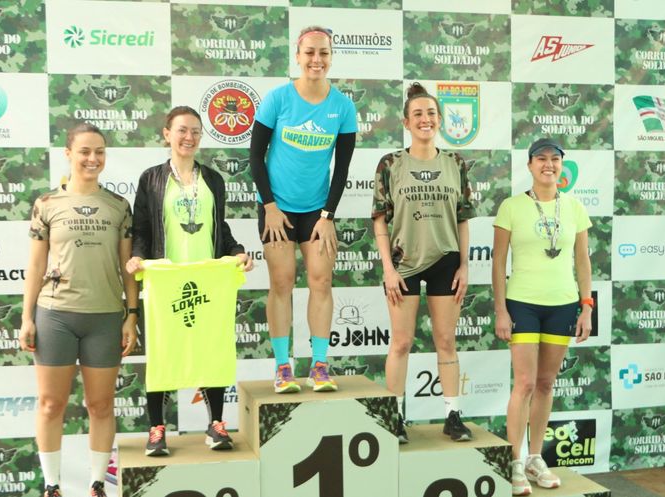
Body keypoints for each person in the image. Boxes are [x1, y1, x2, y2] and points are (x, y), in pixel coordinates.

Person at [125, 106, 253, 456]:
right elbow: (141, 229)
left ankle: (216, 425)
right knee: (162, 351)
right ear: (167, 134)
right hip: (166, 281)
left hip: (207, 280)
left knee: (212, 347)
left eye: (196, 131)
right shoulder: (151, 179)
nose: (189, 137)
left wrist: (238, 251)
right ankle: (156, 429)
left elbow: (219, 227)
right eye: (182, 130)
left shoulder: (212, 179)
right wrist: (137, 256)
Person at [19, 124, 139, 497]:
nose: (93, 159)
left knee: (100, 405)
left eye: (99, 151)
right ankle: (52, 485)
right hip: (55, 315)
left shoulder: (119, 206)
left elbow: (128, 268)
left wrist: (131, 314)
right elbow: (35, 265)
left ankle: (97, 484)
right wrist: (26, 318)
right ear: (68, 154)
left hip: (104, 318)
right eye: (85, 151)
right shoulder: (46, 204)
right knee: (51, 404)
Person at [249, 25, 357, 393]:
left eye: (324, 52)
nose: (316, 59)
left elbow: (341, 169)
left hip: (317, 211)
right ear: (297, 56)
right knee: (281, 283)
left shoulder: (342, 107)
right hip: (276, 207)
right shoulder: (277, 99)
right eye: (310, 52)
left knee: (321, 281)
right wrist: (269, 206)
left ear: (331, 57)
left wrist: (328, 216)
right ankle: (283, 367)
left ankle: (319, 366)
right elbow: (255, 157)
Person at [371, 82, 474, 443]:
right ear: (406, 122)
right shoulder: (391, 164)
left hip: (446, 260)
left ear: (440, 120)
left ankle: (452, 415)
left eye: (431, 113)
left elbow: (463, 218)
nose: (425, 119)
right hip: (404, 262)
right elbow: (380, 220)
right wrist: (388, 269)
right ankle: (395, 417)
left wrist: (464, 265)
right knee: (401, 342)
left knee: (446, 340)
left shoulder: (455, 163)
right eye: (417, 114)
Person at [493, 138, 593, 495]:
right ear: (530, 165)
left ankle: (535, 458)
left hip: (562, 304)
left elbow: (583, 261)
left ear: (561, 165)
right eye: (541, 159)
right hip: (522, 303)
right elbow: (498, 263)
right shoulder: (511, 207)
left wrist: (586, 306)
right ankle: (514, 461)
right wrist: (501, 309)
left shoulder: (575, 207)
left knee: (546, 383)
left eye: (554, 159)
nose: (548, 164)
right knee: (524, 383)